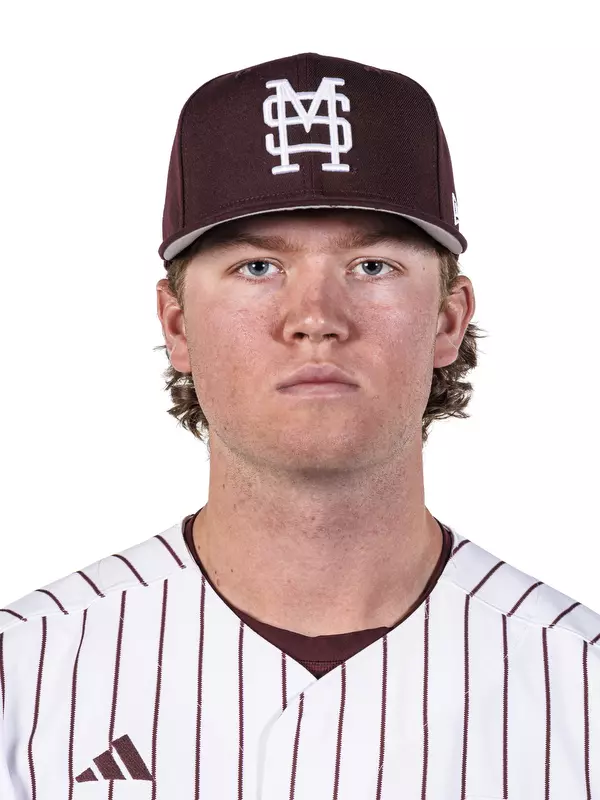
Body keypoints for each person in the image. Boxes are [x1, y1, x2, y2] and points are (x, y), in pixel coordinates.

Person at [1, 52, 598, 800]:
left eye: (372, 266)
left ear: (449, 320)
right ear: (177, 323)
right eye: (258, 267)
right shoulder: (24, 675)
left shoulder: (582, 686)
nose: (315, 318)